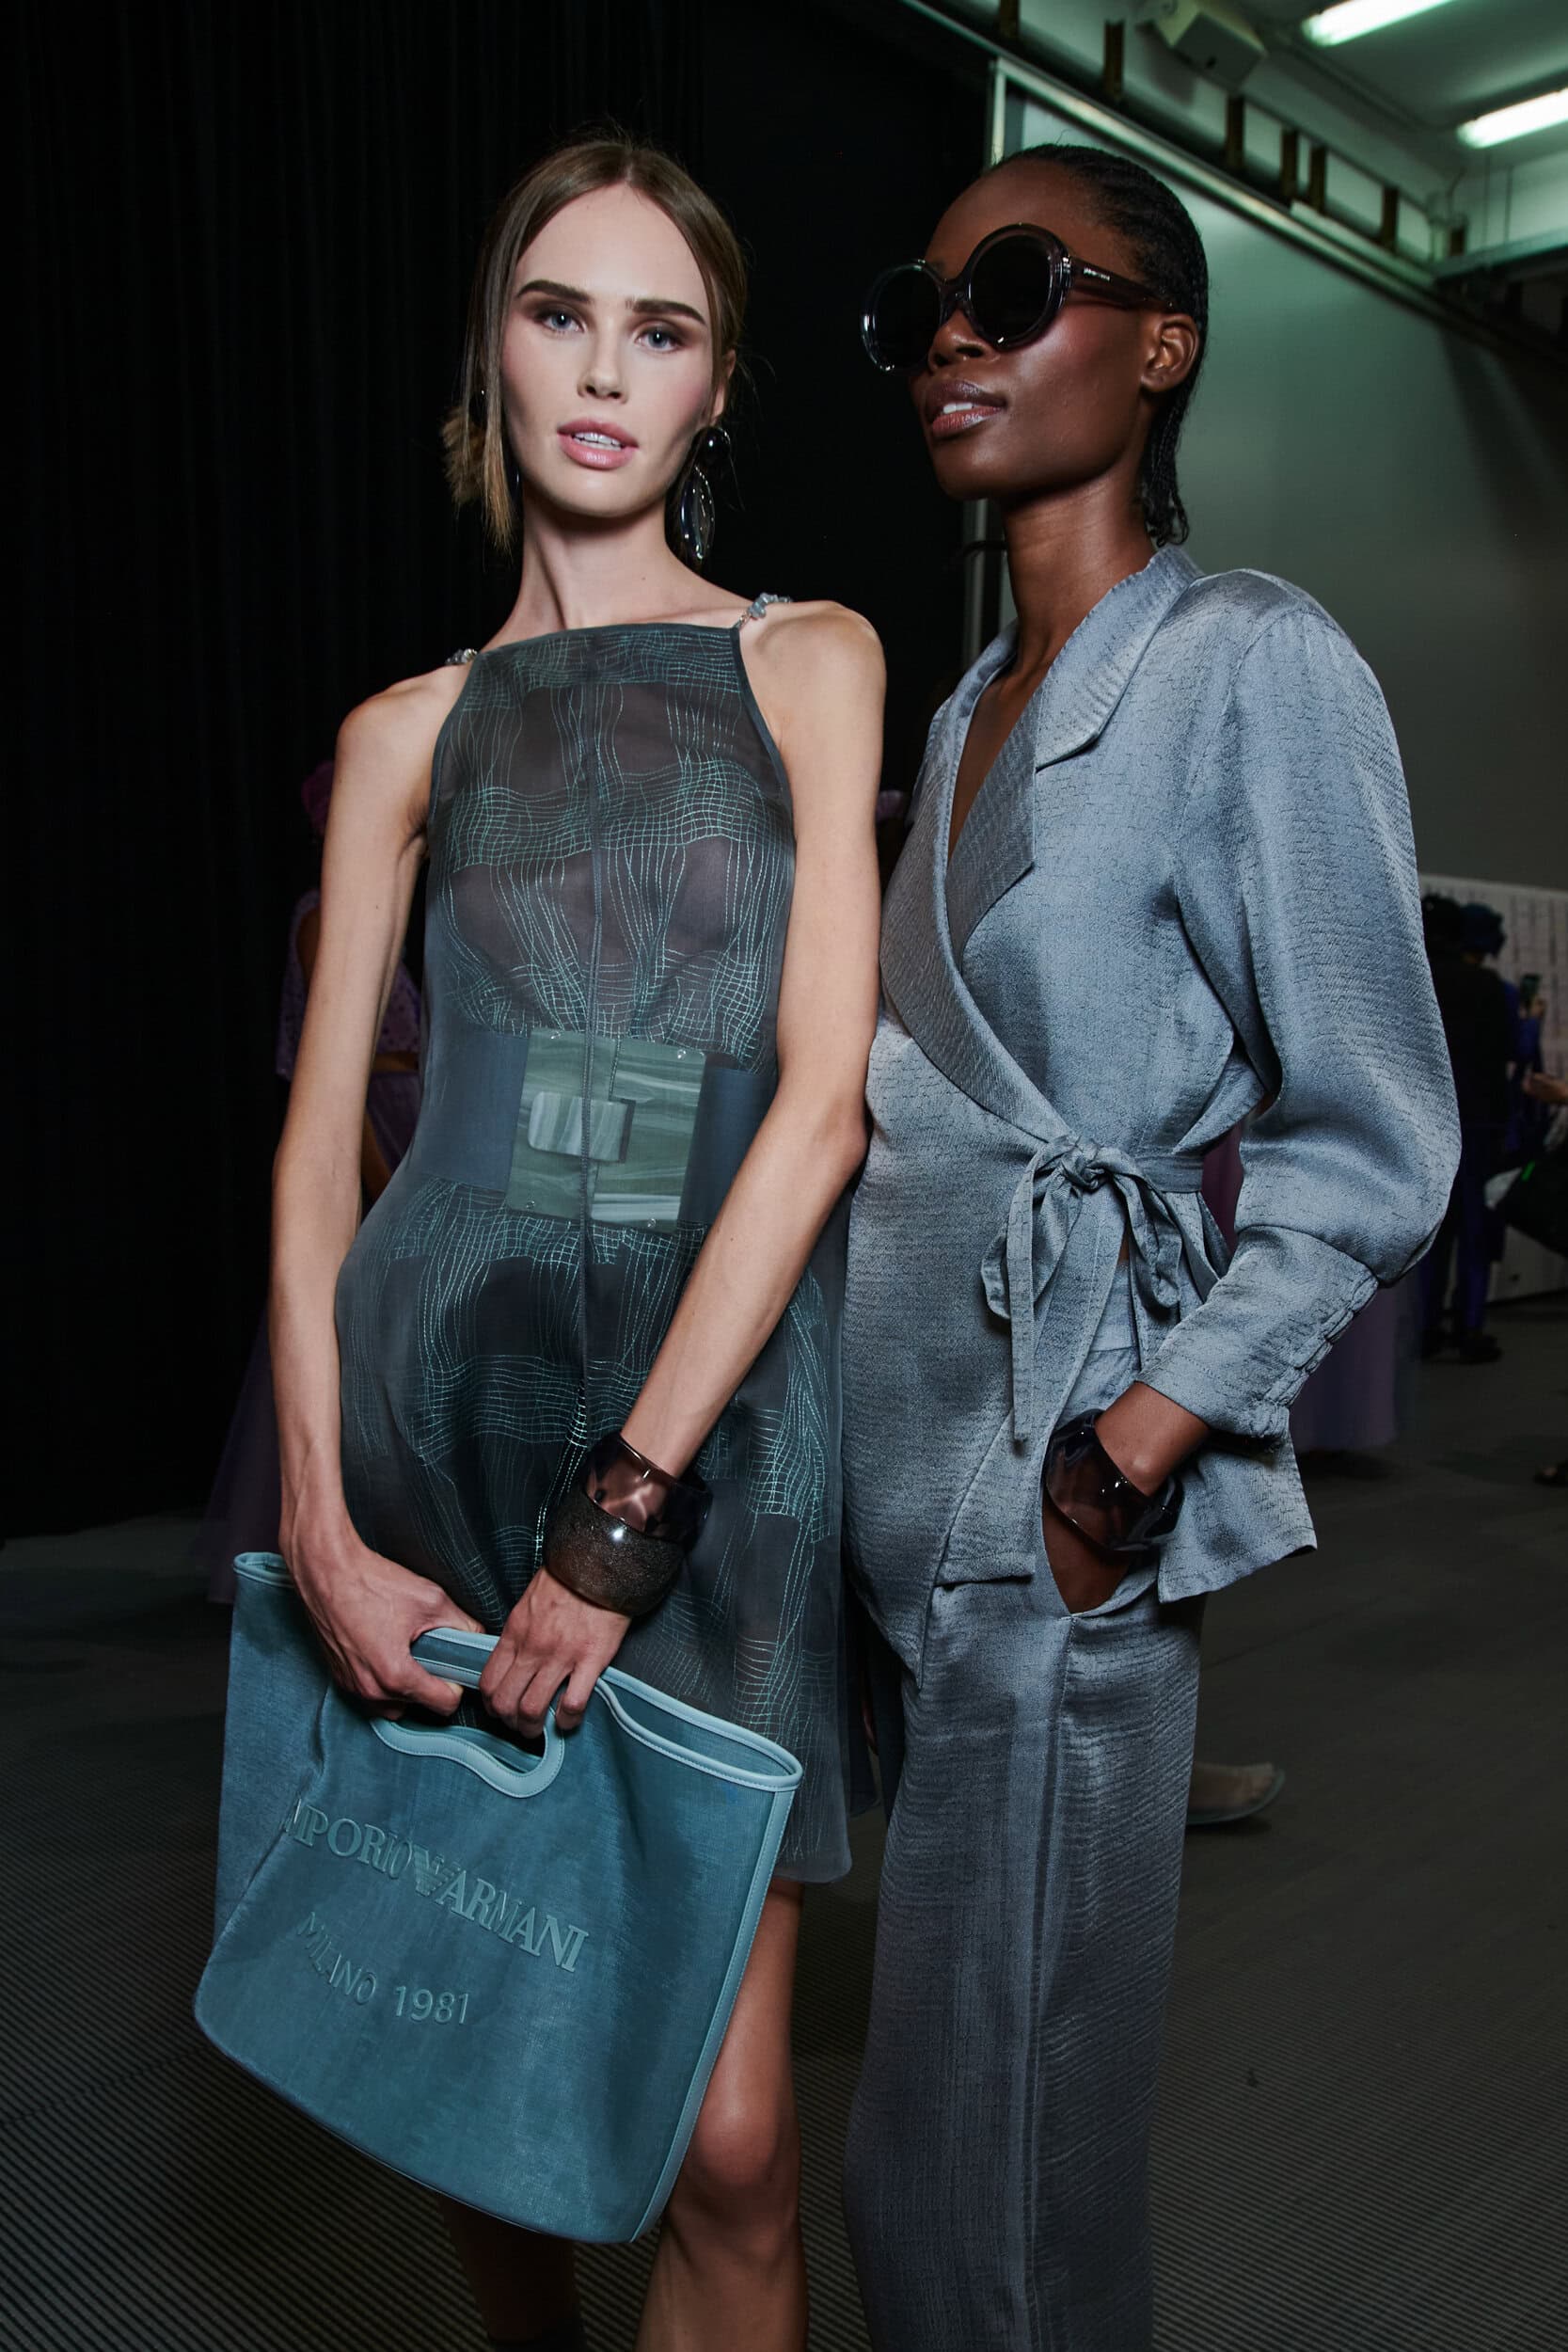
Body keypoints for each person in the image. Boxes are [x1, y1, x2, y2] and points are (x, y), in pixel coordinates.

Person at [839, 143, 1458, 2350]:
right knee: (923, 2113)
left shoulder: (1250, 660)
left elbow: (1375, 1129)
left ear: (1161, 341)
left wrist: (1131, 1451)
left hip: (1059, 1481)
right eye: (919, 307)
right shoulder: (954, 708)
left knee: (1006, 2136)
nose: (952, 338)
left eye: (1013, 287)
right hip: (892, 1470)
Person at [267, 135, 883, 2352]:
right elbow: (317, 1160)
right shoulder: (402, 731)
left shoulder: (807, 658)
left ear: (714, 390)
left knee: (728, 2141)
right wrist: (320, 1521)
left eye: (661, 329)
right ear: (493, 353)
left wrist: (625, 1511)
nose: (604, 372)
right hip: (437, 1398)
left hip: (710, 1434)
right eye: (559, 314)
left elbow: (821, 1103)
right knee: (465, 2031)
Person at [195, 759, 422, 1599]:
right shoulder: (325, 916)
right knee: (341, 1302)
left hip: (415, 1109)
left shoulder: (392, 907)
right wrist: (380, 1175)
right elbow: (337, 1075)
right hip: (374, 1117)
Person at [1419, 893, 1515, 1362]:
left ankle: (1424, 1326)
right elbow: (1511, 1051)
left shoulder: (1414, 981)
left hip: (1425, 1125)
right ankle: (1470, 1325)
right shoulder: (1490, 988)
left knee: (1430, 1232)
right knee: (1475, 1231)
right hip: (1479, 1122)